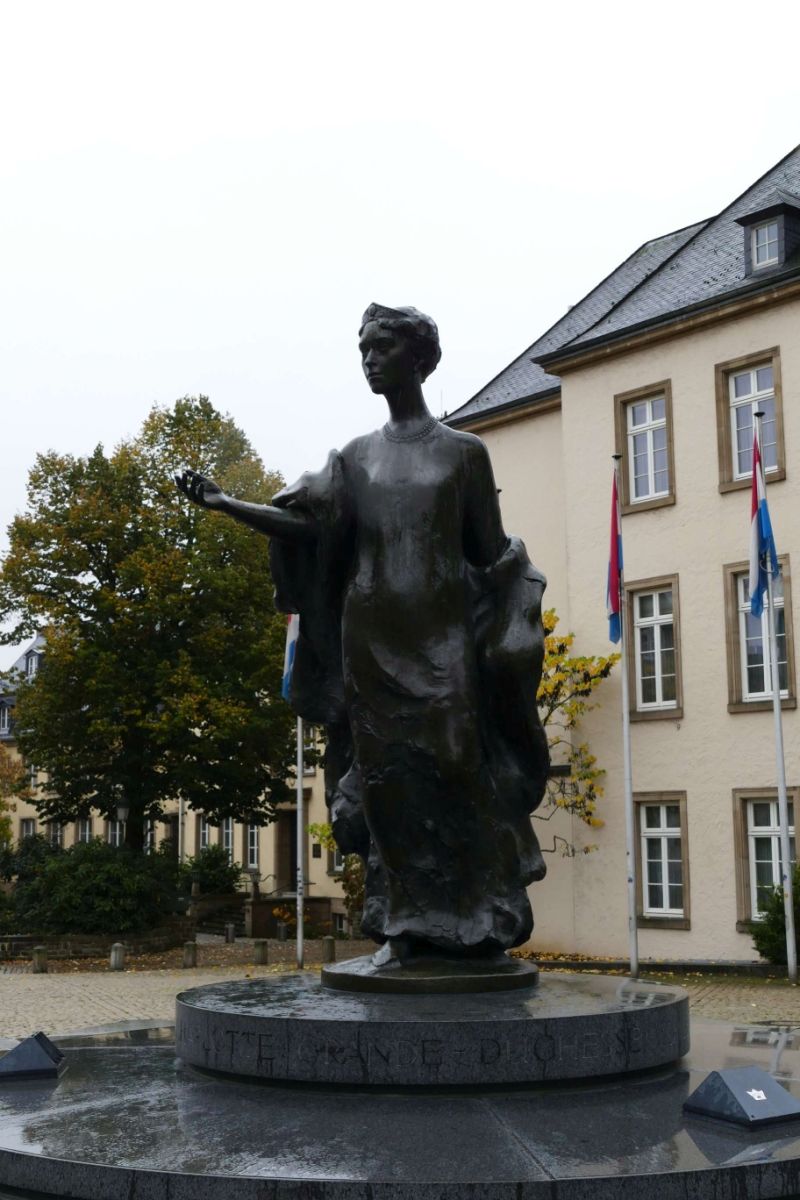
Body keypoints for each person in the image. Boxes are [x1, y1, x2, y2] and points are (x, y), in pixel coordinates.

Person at [176, 303, 549, 966]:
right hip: (370, 641)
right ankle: (401, 926)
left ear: (418, 358)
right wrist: (227, 503)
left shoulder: (465, 453)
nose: (370, 361)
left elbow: (489, 552)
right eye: (364, 351)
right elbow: (308, 529)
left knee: (458, 767)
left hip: (444, 640)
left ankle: (481, 920)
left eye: (382, 349)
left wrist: (514, 618)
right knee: (387, 783)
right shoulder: (355, 457)